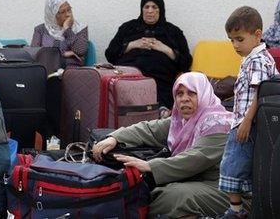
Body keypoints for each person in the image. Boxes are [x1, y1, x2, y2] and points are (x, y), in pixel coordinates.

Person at [92, 72, 233, 218]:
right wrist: (114, 138)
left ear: (204, 94)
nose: (184, 99)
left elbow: (197, 158)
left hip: (224, 189)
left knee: (172, 196)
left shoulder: (219, 123)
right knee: (153, 191)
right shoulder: (181, 122)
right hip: (196, 182)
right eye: (179, 94)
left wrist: (149, 166)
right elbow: (149, 130)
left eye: (192, 93)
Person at [218, 6, 278, 218]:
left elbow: (260, 92)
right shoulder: (250, 59)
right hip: (243, 122)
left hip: (247, 125)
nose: (234, 45)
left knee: (232, 165)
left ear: (257, 35)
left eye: (239, 39)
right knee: (242, 168)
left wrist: (246, 121)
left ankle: (236, 211)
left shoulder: (258, 60)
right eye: (231, 40)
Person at [105, 0, 193, 113]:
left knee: (157, 85)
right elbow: (110, 55)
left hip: (160, 80)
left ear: (160, 10)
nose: (150, 11)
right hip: (129, 77)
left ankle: (161, 110)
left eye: (154, 7)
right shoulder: (128, 28)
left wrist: (165, 49)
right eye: (146, 7)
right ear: (142, 9)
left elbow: (186, 62)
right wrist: (131, 45)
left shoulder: (173, 32)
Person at [31, 0, 88, 66]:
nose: (68, 14)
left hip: (72, 70)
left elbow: (80, 51)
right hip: (47, 70)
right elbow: (34, 54)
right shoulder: (40, 30)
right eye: (63, 12)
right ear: (52, 15)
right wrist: (63, 53)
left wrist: (67, 29)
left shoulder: (80, 28)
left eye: (69, 9)